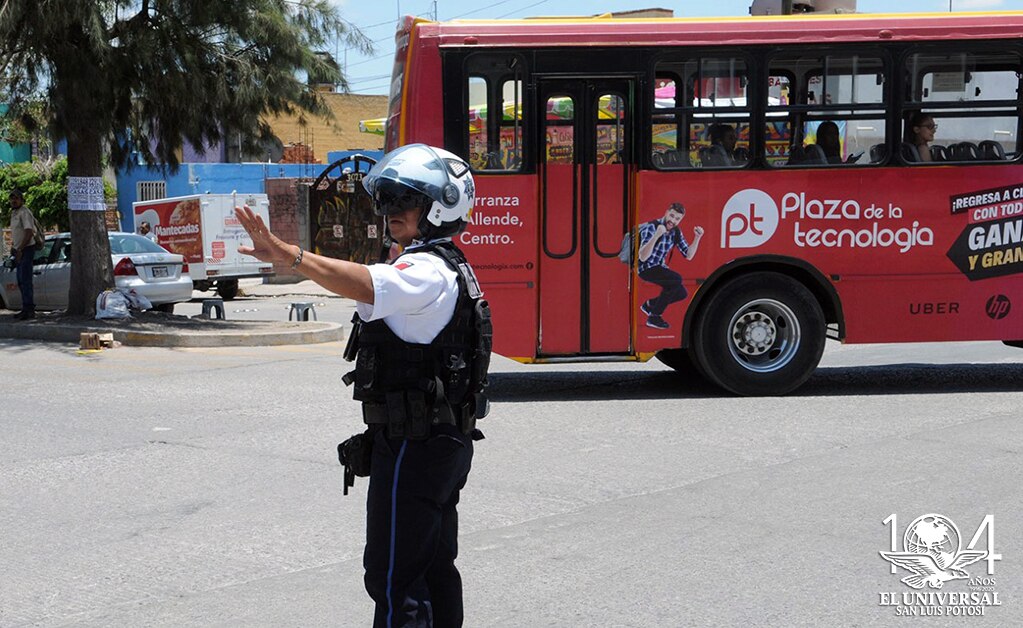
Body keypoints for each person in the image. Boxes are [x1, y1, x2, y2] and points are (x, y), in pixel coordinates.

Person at [236, 143, 490, 628]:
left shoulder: (424, 271)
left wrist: (292, 255)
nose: (392, 212)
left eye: (405, 201)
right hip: (437, 439)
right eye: (388, 201)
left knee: (395, 578)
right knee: (433, 569)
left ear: (440, 208)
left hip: (418, 445)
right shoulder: (448, 264)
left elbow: (366, 284)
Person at [637, 202, 703, 329]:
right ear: (666, 212)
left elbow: (688, 255)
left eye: (677, 218)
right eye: (671, 216)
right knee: (676, 279)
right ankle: (654, 317)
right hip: (645, 268)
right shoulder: (652, 227)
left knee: (682, 293)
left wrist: (697, 237)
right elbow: (642, 257)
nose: (673, 220)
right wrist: (656, 235)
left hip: (659, 268)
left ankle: (650, 305)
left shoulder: (676, 232)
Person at [8, 188, 38, 320]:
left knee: (25, 280)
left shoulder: (25, 212)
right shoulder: (14, 213)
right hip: (18, 249)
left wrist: (20, 249)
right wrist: (14, 246)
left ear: (21, 200)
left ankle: (29, 309)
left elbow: (29, 232)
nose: (13, 201)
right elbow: (17, 232)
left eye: (16, 198)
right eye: (12, 198)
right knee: (20, 280)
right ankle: (25, 308)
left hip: (26, 249)